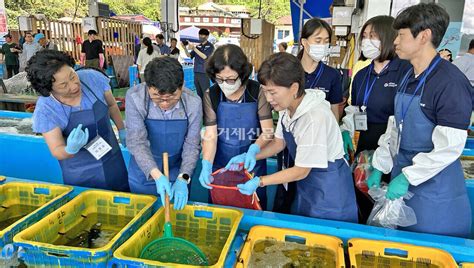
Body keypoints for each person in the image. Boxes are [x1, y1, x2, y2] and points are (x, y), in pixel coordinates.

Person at [367, 3, 472, 238]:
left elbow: (450, 147)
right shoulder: (407, 75)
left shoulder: (450, 82)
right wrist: (380, 164)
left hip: (435, 196)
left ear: (424, 36)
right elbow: (395, 128)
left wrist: (408, 176)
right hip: (400, 185)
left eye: (401, 35)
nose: (395, 41)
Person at [233, 52, 358, 222]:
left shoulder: (314, 117)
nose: (268, 99)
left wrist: (260, 181)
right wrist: (251, 154)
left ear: (293, 88)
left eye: (272, 92)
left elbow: (301, 170)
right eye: (265, 92)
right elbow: (279, 143)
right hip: (307, 184)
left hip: (329, 190)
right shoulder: (287, 106)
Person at [340, 15, 412, 223]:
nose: (366, 41)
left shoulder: (404, 71)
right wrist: (346, 128)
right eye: (364, 36)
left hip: (392, 147)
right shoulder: (362, 75)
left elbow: (400, 119)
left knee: (387, 208)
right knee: (363, 197)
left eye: (373, 36)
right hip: (365, 144)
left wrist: (382, 162)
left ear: (388, 37)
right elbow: (355, 108)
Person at [28, 50, 128, 191]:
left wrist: (122, 129)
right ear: (48, 89)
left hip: (112, 158)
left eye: (72, 76)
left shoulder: (93, 78)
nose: (74, 86)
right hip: (80, 170)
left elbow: (111, 105)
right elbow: (56, 149)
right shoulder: (46, 110)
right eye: (63, 85)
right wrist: (70, 149)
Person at [198, 44, 274, 209]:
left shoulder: (257, 92)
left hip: (252, 167)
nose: (225, 84)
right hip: (221, 168)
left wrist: (253, 151)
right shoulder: (211, 95)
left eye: (231, 79)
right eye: (220, 79)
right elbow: (211, 135)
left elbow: (268, 132)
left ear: (242, 74)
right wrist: (206, 164)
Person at [126, 57, 202, 209]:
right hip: (144, 172)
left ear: (183, 86)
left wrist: (183, 178)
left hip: (178, 171)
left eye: (172, 96)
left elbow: (192, 145)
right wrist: (157, 175)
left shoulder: (193, 103)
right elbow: (137, 142)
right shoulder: (135, 97)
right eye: (158, 98)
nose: (165, 103)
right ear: (148, 87)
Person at [298, 18, 343, 120]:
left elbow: (334, 110)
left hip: (320, 132)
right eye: (318, 40)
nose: (322, 45)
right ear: (304, 42)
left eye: (326, 41)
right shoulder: (289, 70)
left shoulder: (332, 75)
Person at [183, 28, 215, 99]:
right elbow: (189, 56)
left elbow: (205, 56)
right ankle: (200, 108)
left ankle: (207, 108)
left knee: (205, 93)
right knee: (198, 93)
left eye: (202, 35)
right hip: (196, 72)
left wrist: (194, 48)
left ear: (207, 36)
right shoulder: (198, 46)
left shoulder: (210, 46)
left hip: (204, 72)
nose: (200, 37)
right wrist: (185, 48)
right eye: (199, 35)